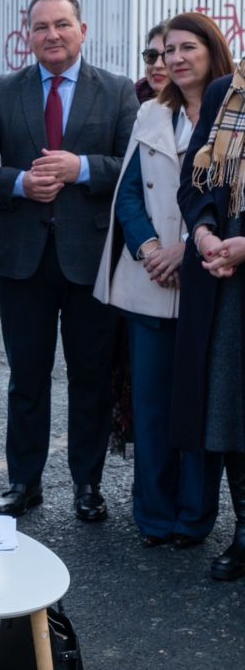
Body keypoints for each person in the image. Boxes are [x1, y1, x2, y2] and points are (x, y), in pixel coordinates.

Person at [0, 0, 138, 520]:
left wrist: (82, 169)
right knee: (27, 378)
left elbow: (135, 169)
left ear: (81, 30)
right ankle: (24, 482)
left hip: (91, 258)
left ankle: (88, 486)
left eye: (62, 25)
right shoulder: (3, 90)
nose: (52, 35)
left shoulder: (115, 92)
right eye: (41, 27)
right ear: (29, 36)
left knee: (90, 378)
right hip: (23, 258)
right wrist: (19, 182)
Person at [95, 13, 232, 548]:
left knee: (199, 405)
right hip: (150, 283)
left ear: (211, 51)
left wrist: (185, 250)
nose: (173, 59)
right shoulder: (151, 113)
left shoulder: (234, 118)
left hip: (210, 279)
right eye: (165, 51)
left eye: (186, 48)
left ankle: (194, 518)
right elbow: (128, 193)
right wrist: (152, 249)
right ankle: (153, 515)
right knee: (149, 406)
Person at [173, 56, 245, 580]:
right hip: (224, 276)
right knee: (229, 405)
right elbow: (192, 182)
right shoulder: (225, 92)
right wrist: (202, 234)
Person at [136, 22, 170, 103]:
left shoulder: (199, 108)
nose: (157, 65)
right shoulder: (130, 99)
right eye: (152, 55)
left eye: (167, 56)